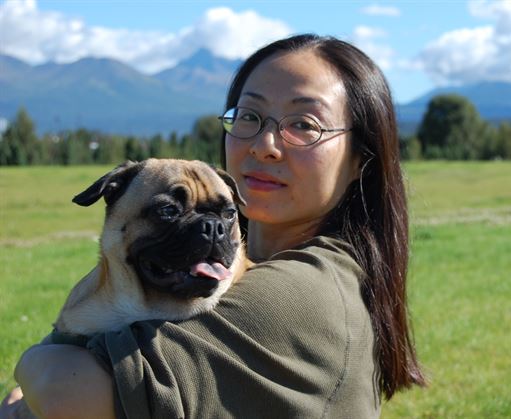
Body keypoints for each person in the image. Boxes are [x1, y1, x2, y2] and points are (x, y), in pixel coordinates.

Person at [1, 33, 425, 418]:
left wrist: (34, 363)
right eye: (249, 116)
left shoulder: (299, 296)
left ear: (360, 161)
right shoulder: (284, 268)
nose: (265, 145)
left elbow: (63, 393)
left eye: (304, 125)